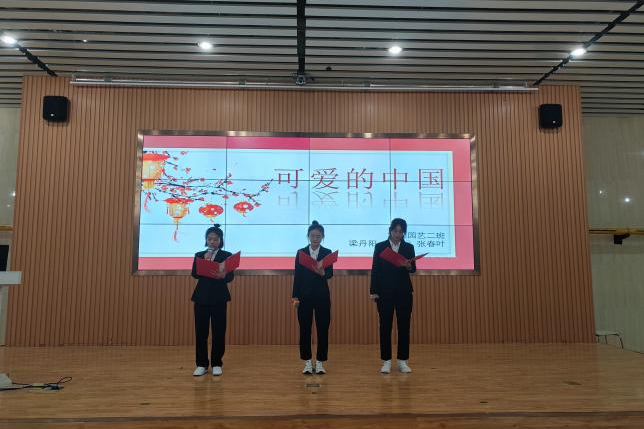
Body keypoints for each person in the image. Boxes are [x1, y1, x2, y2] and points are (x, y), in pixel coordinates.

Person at [370, 218, 416, 374]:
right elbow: (375, 270)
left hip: (404, 292)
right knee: (385, 327)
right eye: (395, 231)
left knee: (404, 327)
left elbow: (413, 269)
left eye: (401, 232)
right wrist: (373, 291)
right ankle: (386, 361)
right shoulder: (380, 247)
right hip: (384, 293)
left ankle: (403, 361)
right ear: (390, 231)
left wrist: (408, 266)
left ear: (404, 233)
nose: (398, 234)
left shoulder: (408, 247)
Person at [190, 224, 235, 376]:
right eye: (209, 239)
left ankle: (216, 363)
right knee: (201, 332)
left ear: (220, 240)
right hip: (201, 298)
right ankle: (201, 364)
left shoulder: (226, 255)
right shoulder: (199, 254)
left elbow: (230, 277)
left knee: (219, 331)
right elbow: (195, 274)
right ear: (206, 240)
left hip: (219, 297)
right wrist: (205, 260)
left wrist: (223, 275)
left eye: (215, 239)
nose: (212, 242)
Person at [292, 220, 334, 375]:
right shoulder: (301, 252)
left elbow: (330, 273)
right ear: (308, 236)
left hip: (322, 296)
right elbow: (297, 276)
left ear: (322, 237)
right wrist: (295, 296)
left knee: (323, 329)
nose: (315, 238)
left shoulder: (327, 252)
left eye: (318, 236)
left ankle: (320, 362)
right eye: (313, 236)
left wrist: (323, 272)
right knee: (305, 329)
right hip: (304, 296)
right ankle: (308, 362)